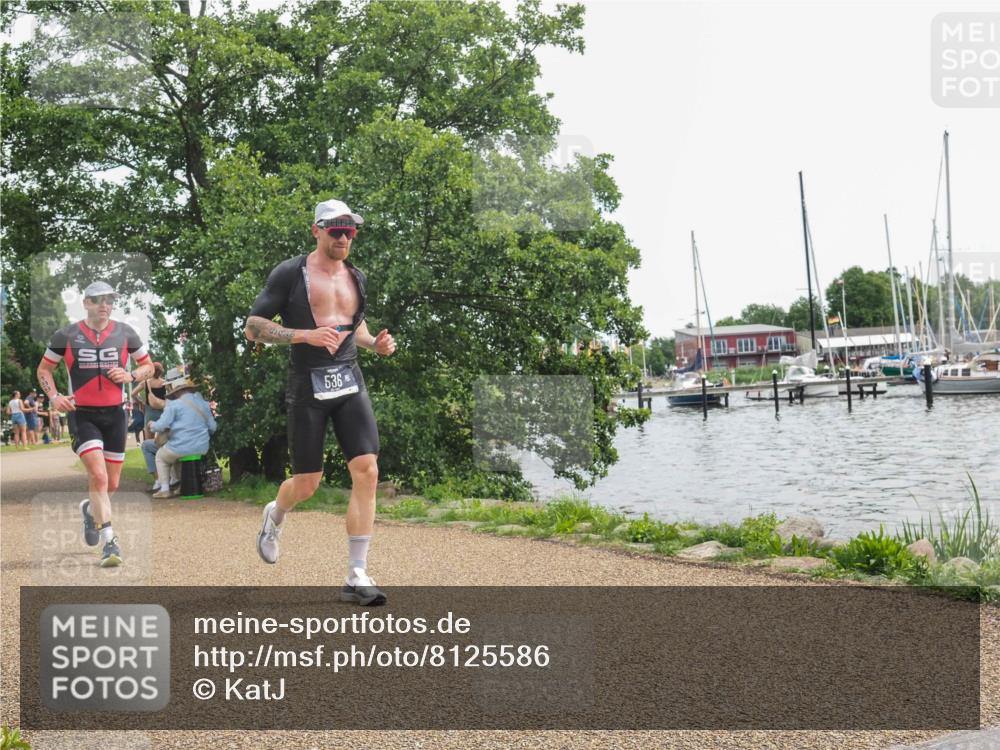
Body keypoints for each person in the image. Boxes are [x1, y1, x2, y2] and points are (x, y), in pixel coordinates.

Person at [245, 198, 396, 606]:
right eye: (336, 230)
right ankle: (276, 513)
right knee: (308, 483)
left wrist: (375, 345)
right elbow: (253, 328)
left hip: (349, 380)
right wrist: (302, 335)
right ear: (316, 230)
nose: (344, 237)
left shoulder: (357, 277)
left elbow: (353, 327)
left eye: (350, 230)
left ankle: (356, 573)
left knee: (367, 470)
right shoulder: (290, 273)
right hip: (308, 385)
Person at [36, 281, 155, 567]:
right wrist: (53, 396)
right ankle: (110, 542)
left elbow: (149, 366)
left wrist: (132, 376)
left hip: (115, 415)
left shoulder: (125, 332)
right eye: (98, 300)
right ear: (86, 303)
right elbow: (44, 369)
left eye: (109, 300)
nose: (105, 305)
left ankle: (91, 511)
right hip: (82, 414)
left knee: (111, 483)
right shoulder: (66, 334)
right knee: (99, 478)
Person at [147, 375, 216, 498]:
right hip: (202, 446)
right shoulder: (203, 404)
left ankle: (164, 489)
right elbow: (213, 427)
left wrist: (152, 425)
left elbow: (161, 426)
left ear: (176, 392)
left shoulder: (173, 405)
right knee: (177, 457)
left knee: (161, 456)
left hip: (180, 446)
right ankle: (181, 486)